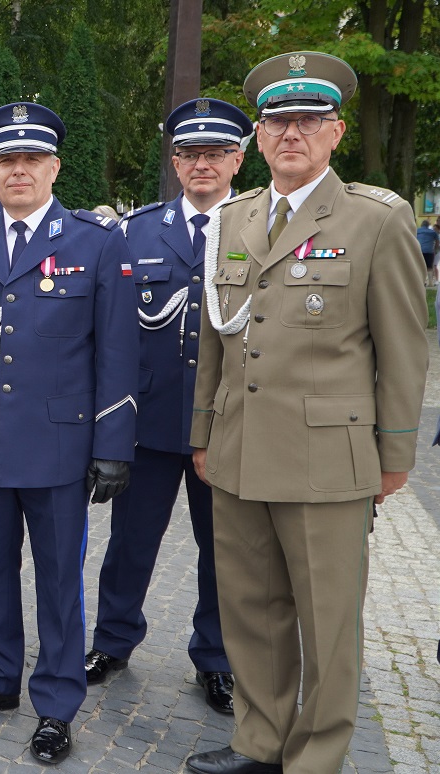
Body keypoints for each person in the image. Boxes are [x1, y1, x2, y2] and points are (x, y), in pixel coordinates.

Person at [186, 51, 428, 774]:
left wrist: (393, 456)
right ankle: (258, 743)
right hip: (237, 451)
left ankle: (315, 757)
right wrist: (201, 433)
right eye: (277, 121)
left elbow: (402, 351)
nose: (291, 132)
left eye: (308, 120)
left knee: (327, 624)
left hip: (327, 461)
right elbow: (214, 342)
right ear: (257, 137)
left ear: (336, 131)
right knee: (252, 614)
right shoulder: (234, 218)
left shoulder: (375, 219)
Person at [0, 101, 138, 765]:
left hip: (58, 446)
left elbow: (116, 353)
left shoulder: (95, 242)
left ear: (54, 166)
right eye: (5, 160)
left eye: (31, 159)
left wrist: (111, 445)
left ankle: (55, 702)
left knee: (56, 581)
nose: (18, 170)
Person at [85, 97, 249, 715]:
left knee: (224, 550)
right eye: (189, 154)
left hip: (230, 423)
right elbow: (112, 337)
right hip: (149, 423)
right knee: (130, 542)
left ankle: (216, 658)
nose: (201, 165)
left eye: (215, 154)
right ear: (175, 163)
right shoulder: (135, 231)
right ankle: (113, 640)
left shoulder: (258, 226)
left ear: (238, 158)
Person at [417, 219, 437, 285]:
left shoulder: (417, 231)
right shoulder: (433, 232)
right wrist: (435, 249)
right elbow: (437, 242)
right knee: (429, 267)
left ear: (421, 225)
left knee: (419, 266)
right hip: (429, 251)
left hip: (419, 251)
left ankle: (420, 282)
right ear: (428, 225)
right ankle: (430, 283)